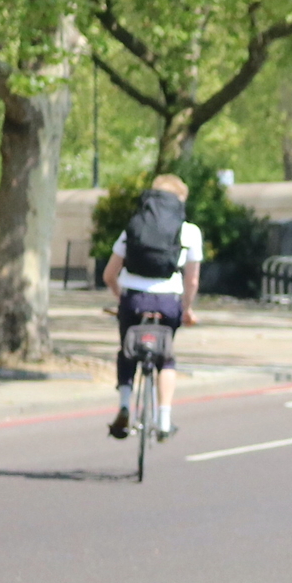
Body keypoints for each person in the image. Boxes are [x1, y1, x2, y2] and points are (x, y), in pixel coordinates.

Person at [103, 174, 203, 441]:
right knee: (166, 359)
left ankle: (125, 406)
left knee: (127, 352)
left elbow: (109, 274)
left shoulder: (134, 226)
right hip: (169, 301)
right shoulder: (189, 231)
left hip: (133, 299)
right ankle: (164, 420)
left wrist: (120, 296)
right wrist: (186, 308)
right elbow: (192, 279)